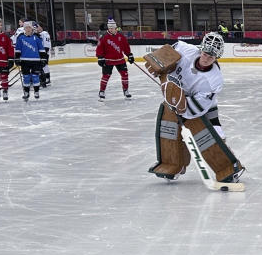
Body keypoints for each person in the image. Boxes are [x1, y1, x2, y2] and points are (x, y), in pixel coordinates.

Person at [147, 32, 245, 185]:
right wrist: (158, 63)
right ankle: (173, 165)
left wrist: (179, 104)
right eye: (205, 54)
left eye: (211, 57)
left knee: (209, 137)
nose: (206, 59)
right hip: (174, 98)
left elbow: (196, 109)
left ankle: (228, 166)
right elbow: (161, 55)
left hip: (202, 107)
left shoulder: (214, 80)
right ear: (201, 50)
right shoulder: (185, 49)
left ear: (216, 58)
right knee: (168, 130)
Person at [95, 18, 133, 100]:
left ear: (116, 28)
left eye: (114, 28)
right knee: (106, 76)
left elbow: (126, 46)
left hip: (120, 59)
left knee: (125, 74)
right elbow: (99, 48)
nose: (112, 30)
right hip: (108, 60)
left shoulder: (121, 36)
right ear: (108, 28)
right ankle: (102, 91)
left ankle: (125, 90)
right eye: (110, 28)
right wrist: (100, 57)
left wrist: (129, 55)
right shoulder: (104, 37)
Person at [14, 21, 44, 101]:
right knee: (26, 77)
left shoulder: (36, 37)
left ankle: (36, 91)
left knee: (35, 77)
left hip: (36, 61)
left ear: (32, 28)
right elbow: (18, 49)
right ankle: (26, 92)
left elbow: (41, 49)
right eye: (26, 27)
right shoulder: (20, 38)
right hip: (24, 61)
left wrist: (43, 59)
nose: (28, 29)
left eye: (29, 27)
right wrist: (17, 58)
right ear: (24, 29)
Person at [34, 22, 52, 87]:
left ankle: (47, 79)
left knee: (44, 65)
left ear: (41, 27)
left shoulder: (45, 33)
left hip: (44, 52)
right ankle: (44, 79)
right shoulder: (39, 34)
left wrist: (43, 53)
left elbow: (46, 45)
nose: (36, 28)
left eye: (38, 27)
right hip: (41, 52)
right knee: (42, 66)